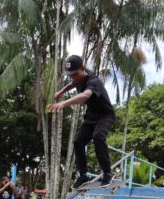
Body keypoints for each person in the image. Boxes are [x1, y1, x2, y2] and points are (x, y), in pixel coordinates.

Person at [48, 55, 116, 188]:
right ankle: (83, 176)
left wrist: (63, 103)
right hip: (91, 116)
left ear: (83, 69)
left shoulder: (94, 81)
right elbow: (72, 84)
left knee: (98, 137)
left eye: (75, 74)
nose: (73, 77)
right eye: (70, 75)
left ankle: (107, 173)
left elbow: (85, 96)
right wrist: (60, 91)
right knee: (78, 142)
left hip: (105, 115)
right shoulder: (77, 77)